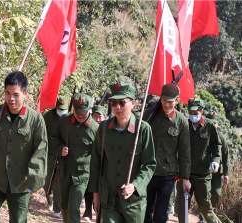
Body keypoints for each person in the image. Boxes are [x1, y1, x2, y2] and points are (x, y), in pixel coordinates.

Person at [0, 71, 48, 223]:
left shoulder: (35, 120)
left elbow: (40, 152)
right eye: (7, 93)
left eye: (16, 94)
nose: (11, 98)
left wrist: (33, 184)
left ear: (25, 94)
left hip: (21, 183)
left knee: (18, 220)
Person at [89, 81, 156, 223]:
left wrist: (135, 185)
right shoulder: (104, 128)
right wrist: (96, 194)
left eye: (122, 102)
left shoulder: (142, 129)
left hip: (133, 203)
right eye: (113, 103)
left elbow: (149, 164)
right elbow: (96, 162)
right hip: (109, 199)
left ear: (133, 103)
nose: (117, 107)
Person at [142, 84, 191, 223]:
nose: (167, 104)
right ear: (160, 99)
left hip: (167, 175)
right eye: (164, 100)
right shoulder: (150, 114)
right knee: (144, 212)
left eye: (171, 101)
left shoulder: (181, 122)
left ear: (177, 101)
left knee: (161, 215)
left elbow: (184, 151)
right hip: (147, 172)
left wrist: (185, 178)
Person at [52, 93, 99, 223]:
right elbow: (54, 137)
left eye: (83, 114)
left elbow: (99, 155)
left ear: (90, 109)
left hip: (82, 175)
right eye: (77, 113)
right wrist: (60, 148)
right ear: (73, 109)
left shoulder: (95, 129)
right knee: (64, 206)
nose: (80, 116)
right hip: (65, 171)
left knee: (73, 207)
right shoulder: (64, 120)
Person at [178, 98, 221, 223]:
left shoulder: (209, 126)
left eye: (195, 113)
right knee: (182, 205)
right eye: (190, 113)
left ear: (201, 111)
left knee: (205, 206)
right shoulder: (185, 125)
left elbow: (216, 145)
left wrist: (216, 160)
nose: (192, 116)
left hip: (203, 174)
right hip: (186, 174)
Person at [198, 112, 231, 222]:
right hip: (204, 172)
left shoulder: (221, 137)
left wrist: (227, 173)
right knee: (204, 195)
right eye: (212, 122)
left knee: (217, 194)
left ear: (218, 124)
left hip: (217, 174)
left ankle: (213, 215)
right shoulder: (203, 134)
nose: (214, 125)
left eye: (215, 123)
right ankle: (203, 217)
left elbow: (226, 157)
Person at [43, 96, 69, 218]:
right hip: (49, 153)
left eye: (63, 109)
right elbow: (42, 131)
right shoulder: (48, 116)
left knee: (58, 182)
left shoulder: (69, 118)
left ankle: (57, 208)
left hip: (62, 155)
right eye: (59, 108)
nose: (61, 110)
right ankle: (50, 199)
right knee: (47, 180)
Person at [82, 104, 107, 222]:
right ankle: (88, 211)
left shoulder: (108, 130)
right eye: (95, 116)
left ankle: (97, 211)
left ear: (105, 117)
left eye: (99, 117)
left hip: (103, 165)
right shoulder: (88, 127)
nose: (97, 119)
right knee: (89, 188)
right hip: (89, 164)